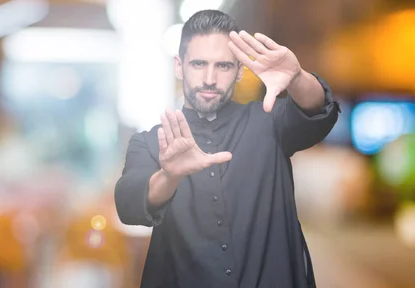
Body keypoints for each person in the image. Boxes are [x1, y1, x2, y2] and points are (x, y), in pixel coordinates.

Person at [114, 10, 340, 288]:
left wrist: (297, 78)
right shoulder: (150, 142)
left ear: (239, 71)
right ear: (179, 66)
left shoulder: (270, 122)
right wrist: (169, 176)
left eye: (222, 66)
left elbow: (318, 111)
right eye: (198, 64)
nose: (209, 78)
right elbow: (128, 203)